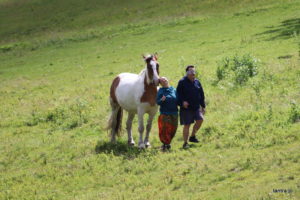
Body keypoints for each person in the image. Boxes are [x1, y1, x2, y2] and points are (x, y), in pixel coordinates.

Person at [176, 65, 206, 149]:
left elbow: (201, 94)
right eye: (191, 71)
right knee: (187, 125)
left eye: (194, 71)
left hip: (196, 107)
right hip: (186, 108)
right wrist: (182, 102)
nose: (193, 73)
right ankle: (185, 143)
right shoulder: (182, 82)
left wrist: (203, 106)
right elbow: (177, 95)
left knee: (200, 120)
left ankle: (192, 136)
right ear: (187, 73)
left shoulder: (197, 82)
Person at [156, 77, 178, 151]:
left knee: (173, 129)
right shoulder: (160, 91)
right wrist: (161, 100)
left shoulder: (174, 89)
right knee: (165, 129)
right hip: (165, 113)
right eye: (162, 81)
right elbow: (157, 102)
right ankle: (166, 144)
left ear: (168, 80)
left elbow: (178, 99)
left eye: (165, 79)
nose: (164, 81)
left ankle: (167, 142)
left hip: (174, 112)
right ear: (161, 84)